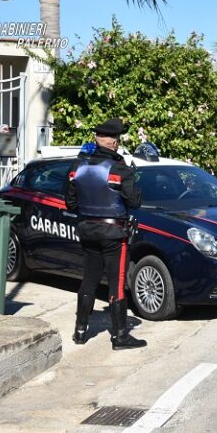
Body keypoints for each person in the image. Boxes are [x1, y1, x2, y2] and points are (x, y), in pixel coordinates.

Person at [65, 118, 146, 350]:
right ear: (114, 142)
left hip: (87, 231)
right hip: (113, 234)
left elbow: (70, 204)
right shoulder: (120, 169)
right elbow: (135, 202)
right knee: (117, 282)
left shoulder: (77, 167)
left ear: (96, 140)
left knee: (88, 279)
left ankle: (80, 331)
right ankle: (120, 336)